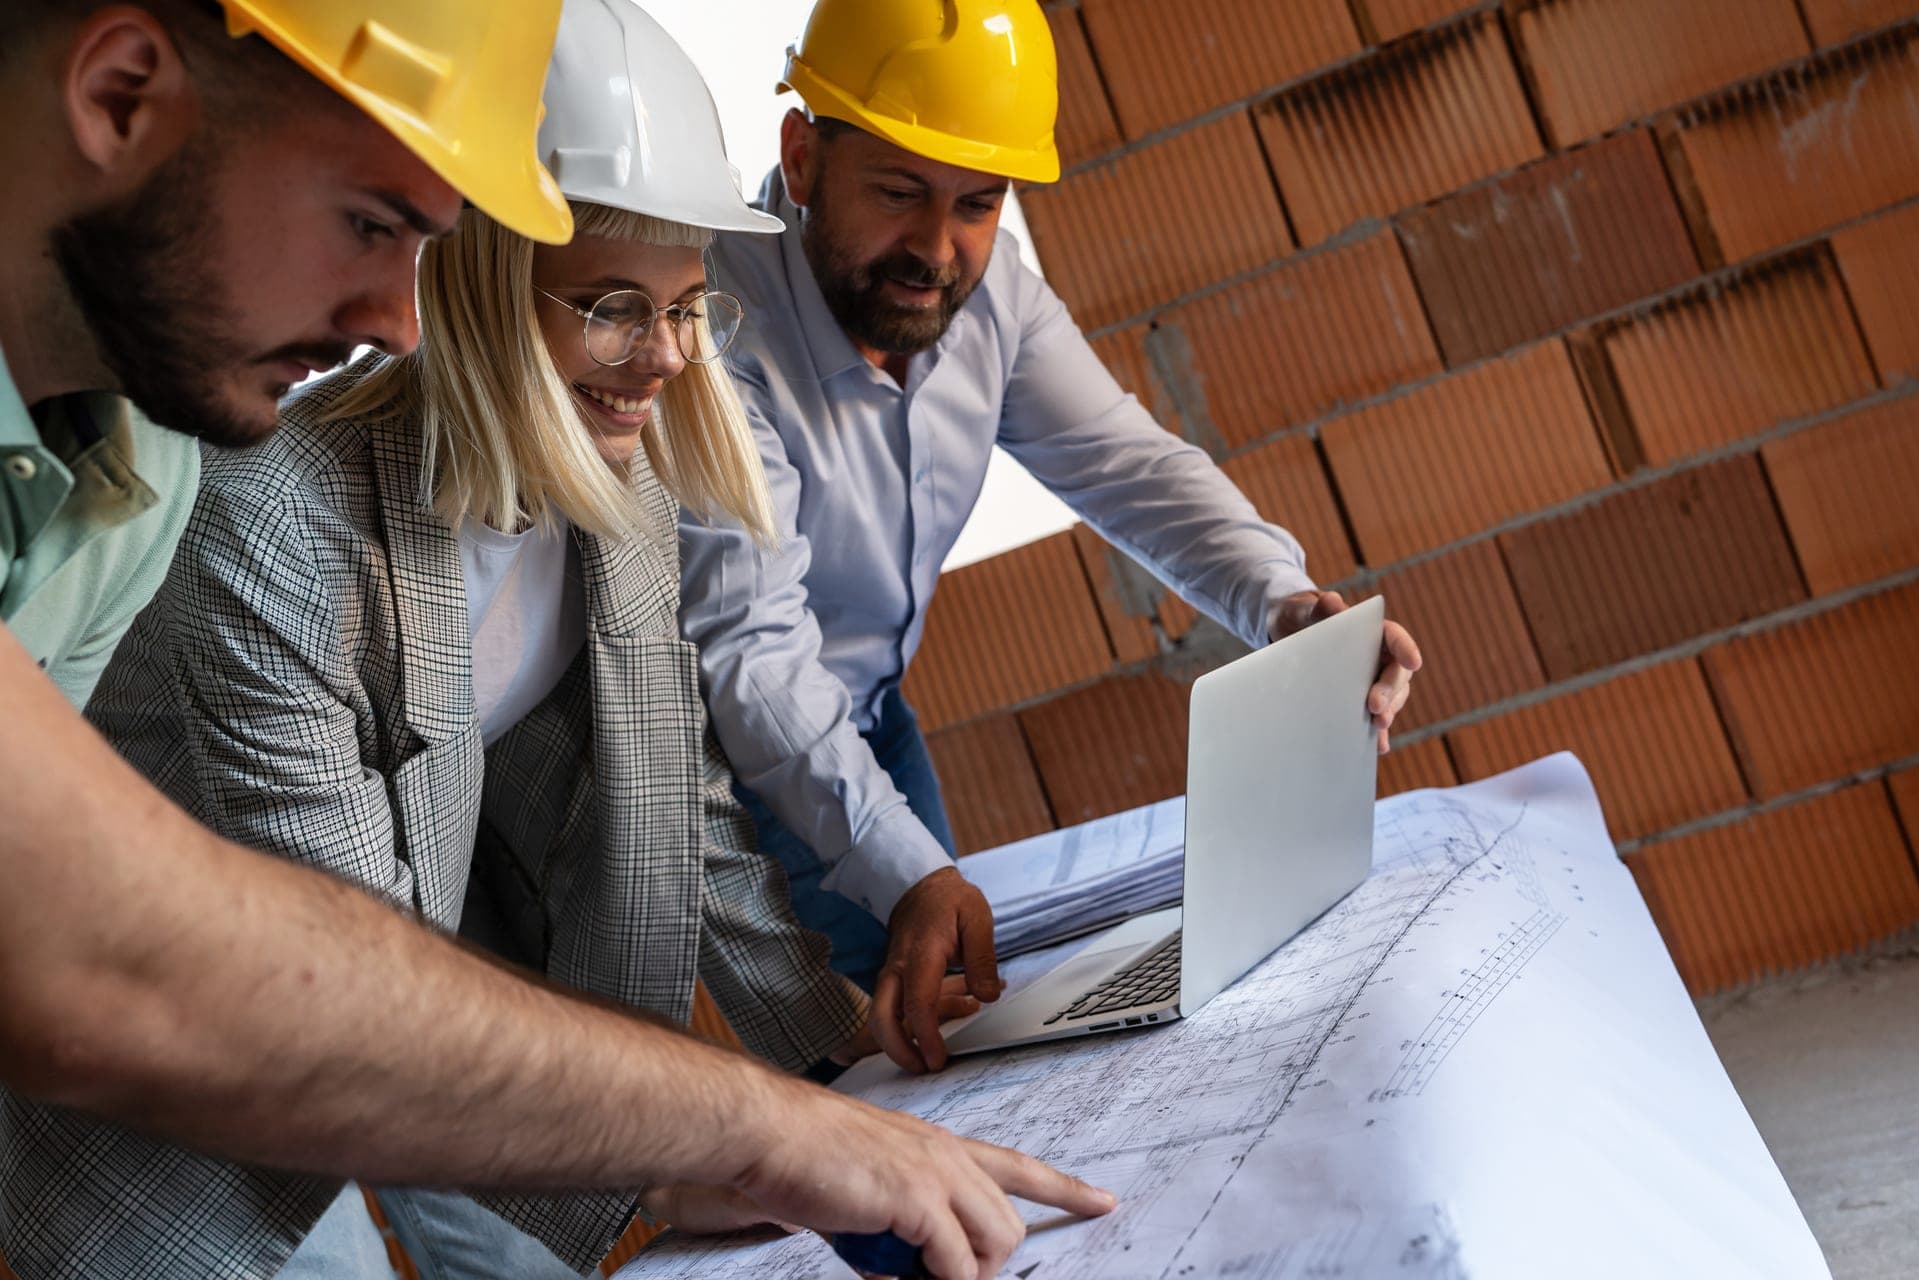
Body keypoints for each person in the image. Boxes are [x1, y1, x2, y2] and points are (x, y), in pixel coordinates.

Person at [0, 4, 1110, 1278]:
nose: (390, 313)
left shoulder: (609, 490)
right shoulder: (251, 507)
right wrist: (735, 1136)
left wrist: (834, 1068)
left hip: (417, 1007)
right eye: (373, 222)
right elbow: (302, 996)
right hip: (206, 1099)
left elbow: (675, 808)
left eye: (691, 306)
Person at [679, 0, 1425, 1075]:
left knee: (955, 1045)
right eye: (899, 193)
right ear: (803, 157)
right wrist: (906, 870)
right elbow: (752, 655)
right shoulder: (710, 333)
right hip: (729, 771)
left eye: (978, 204)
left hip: (870, 722)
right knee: (870, 1090)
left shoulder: (990, 301)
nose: (937, 250)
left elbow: (1130, 464)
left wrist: (1283, 602)